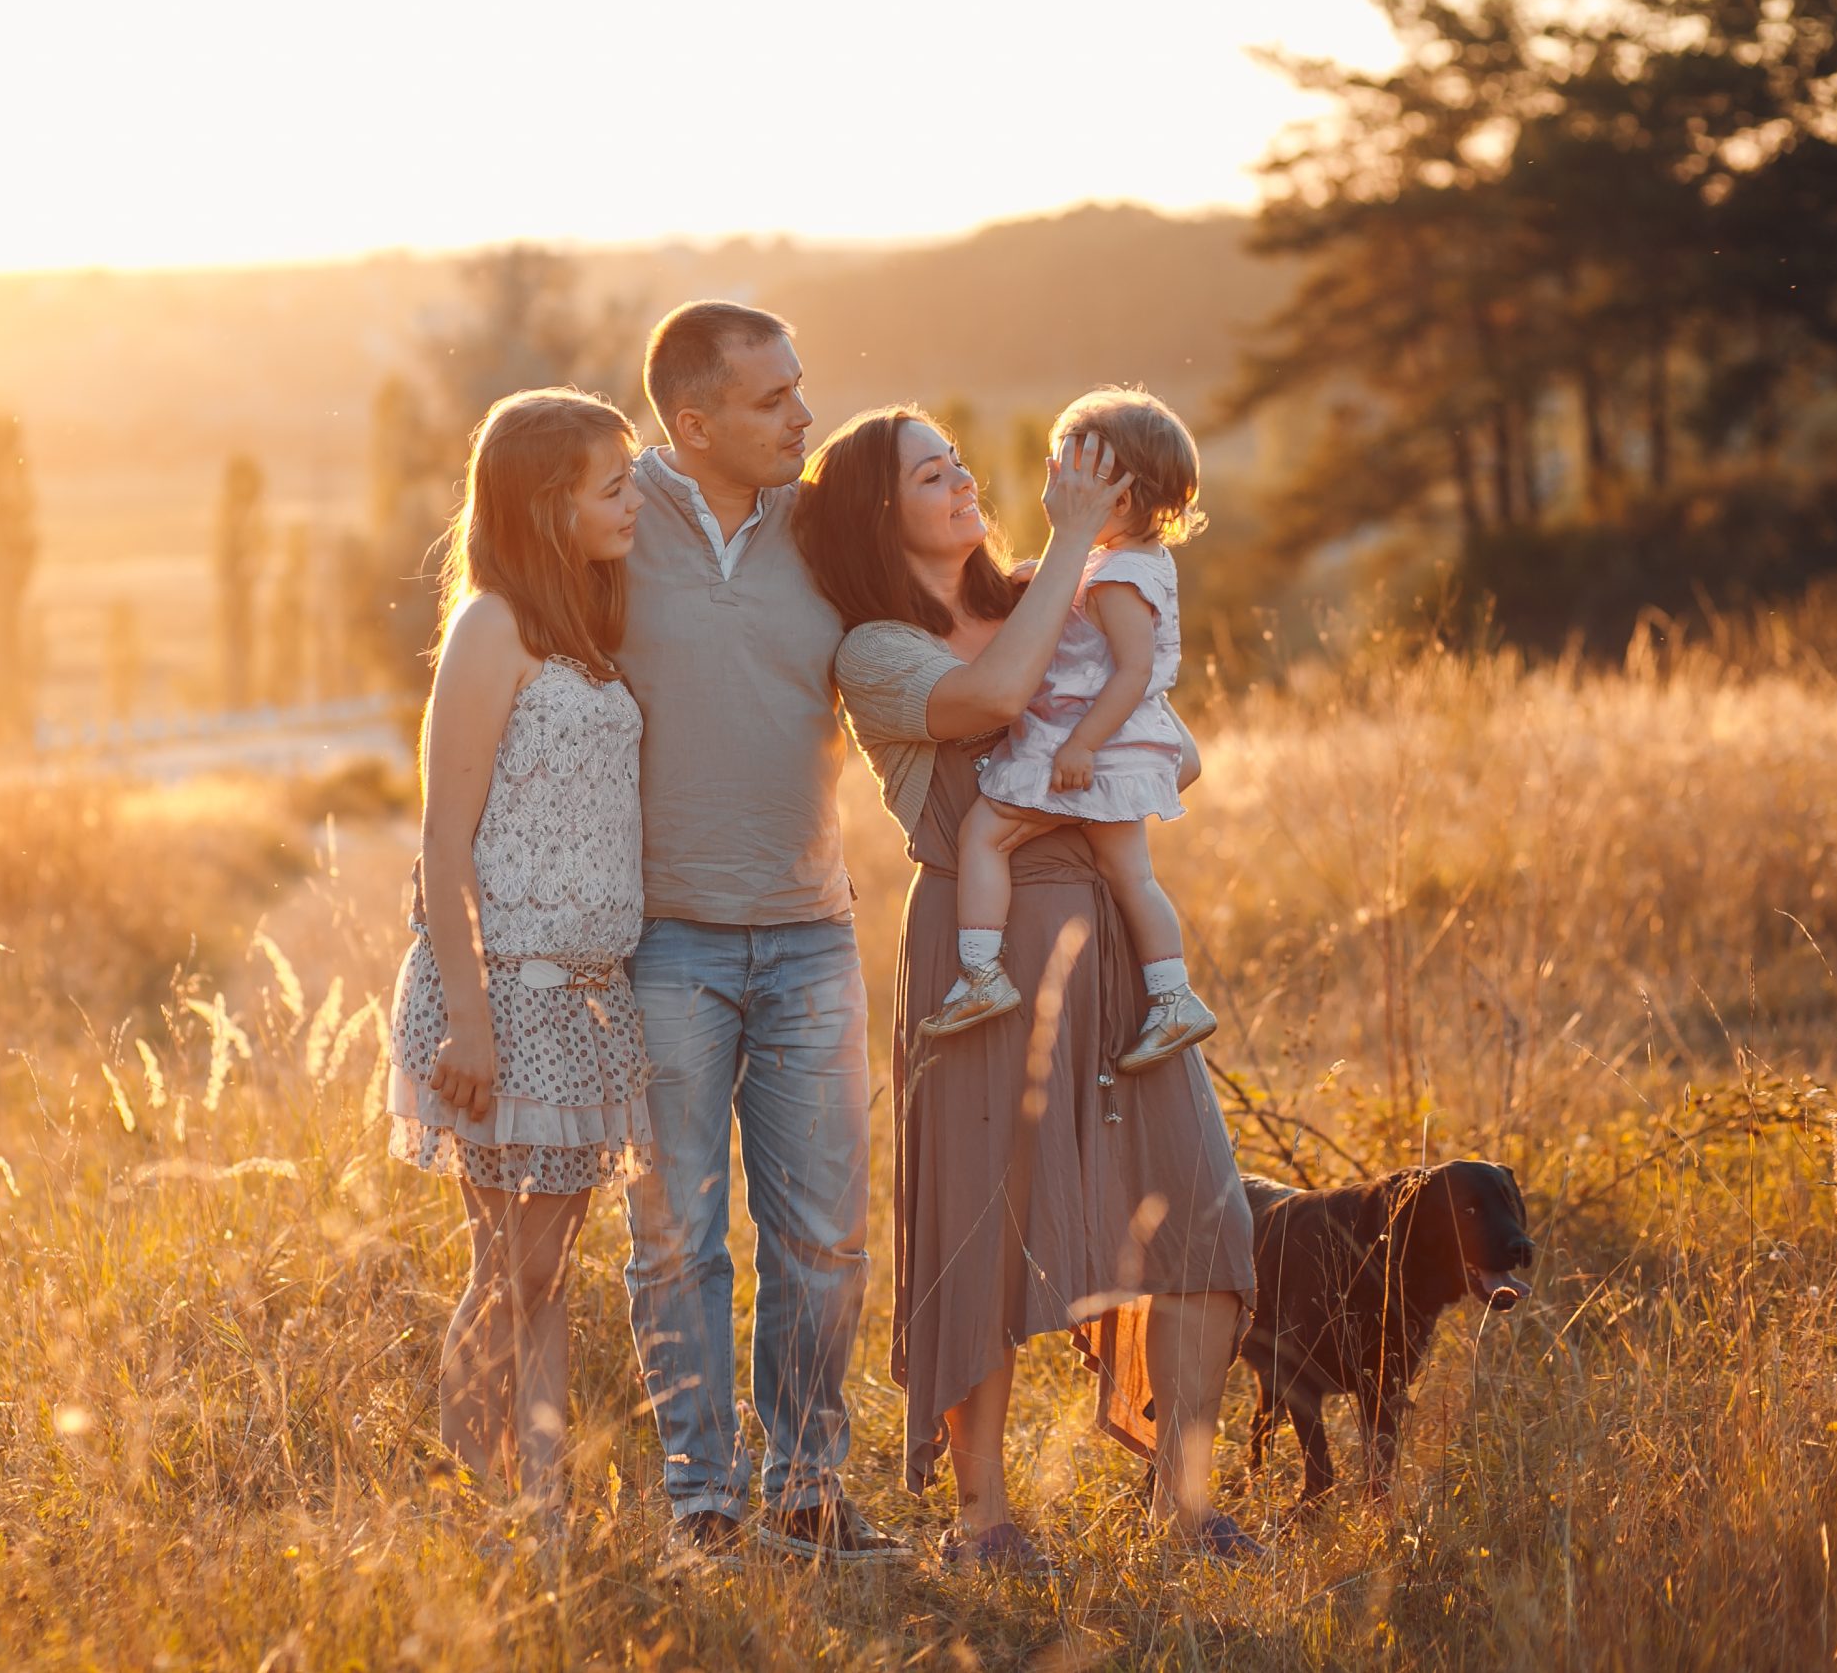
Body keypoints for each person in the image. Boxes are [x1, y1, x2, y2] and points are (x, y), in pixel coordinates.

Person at [798, 405, 1262, 1571]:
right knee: (982, 1226)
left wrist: (1127, 737)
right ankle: (984, 1520)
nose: (961, 479)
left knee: (1201, 1198)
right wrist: (1071, 542)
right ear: (877, 511)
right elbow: (998, 702)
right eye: (929, 471)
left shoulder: (1037, 594)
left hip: (1106, 926)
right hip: (979, 947)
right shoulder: (873, 650)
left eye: (958, 460)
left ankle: (1186, 1497)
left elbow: (1172, 733)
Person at [615, 302, 897, 1566]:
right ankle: (704, 1503)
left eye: (801, 389)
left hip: (809, 939)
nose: (802, 416)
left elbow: (946, 609)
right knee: (676, 1234)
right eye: (774, 399)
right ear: (695, 423)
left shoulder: (827, 524)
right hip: (662, 941)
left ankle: (807, 1487)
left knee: (825, 1239)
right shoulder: (612, 520)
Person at [383, 388, 653, 1536]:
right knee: (513, 1271)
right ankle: (461, 1502)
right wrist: (471, 1022)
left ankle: (544, 1512)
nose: (633, 502)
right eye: (614, 484)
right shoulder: (489, 628)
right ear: (549, 503)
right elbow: (443, 839)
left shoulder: (585, 628)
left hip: (588, 1005)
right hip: (498, 999)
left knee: (546, 1277)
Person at [922, 388, 1218, 1075]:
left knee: (984, 832)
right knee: (1131, 874)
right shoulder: (1127, 563)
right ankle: (1173, 997)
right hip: (1119, 750)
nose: (1053, 482)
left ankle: (980, 971)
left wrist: (1081, 745)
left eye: (1067, 473)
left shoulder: (1115, 580)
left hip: (1089, 750)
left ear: (1115, 498)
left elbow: (1134, 671)